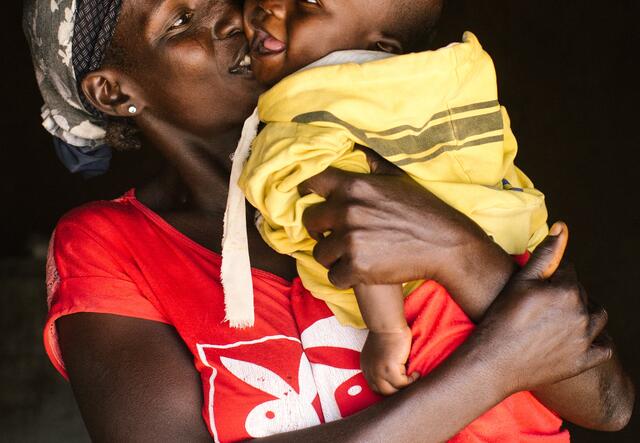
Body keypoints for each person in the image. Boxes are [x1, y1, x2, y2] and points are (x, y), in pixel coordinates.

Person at [23, 0, 633, 441]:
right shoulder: (112, 245)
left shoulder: (401, 134)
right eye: (180, 21)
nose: (234, 18)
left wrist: (455, 247)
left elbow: (608, 404)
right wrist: (493, 367)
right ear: (113, 92)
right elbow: (530, 352)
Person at [231, 0, 548, 394]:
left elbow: (362, 222)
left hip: (426, 310)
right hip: (509, 266)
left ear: (382, 46)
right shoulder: (440, 88)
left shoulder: (312, 115)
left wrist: (387, 330)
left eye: (309, 2)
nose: (270, 6)